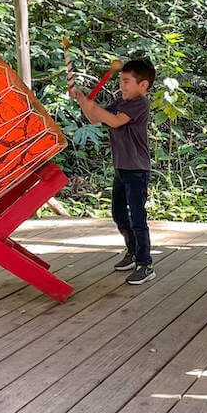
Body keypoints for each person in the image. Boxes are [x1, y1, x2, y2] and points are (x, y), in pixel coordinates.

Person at [70, 58, 156, 285]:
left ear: (143, 86)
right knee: (118, 214)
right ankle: (133, 252)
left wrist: (92, 103)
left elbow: (115, 122)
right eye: (121, 81)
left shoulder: (140, 104)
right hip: (121, 168)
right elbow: (95, 117)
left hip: (137, 169)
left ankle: (145, 264)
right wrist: (82, 100)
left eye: (127, 81)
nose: (122, 86)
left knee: (138, 217)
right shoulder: (120, 101)